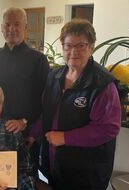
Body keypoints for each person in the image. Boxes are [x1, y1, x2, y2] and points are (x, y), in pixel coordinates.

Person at [39, 18, 121, 189]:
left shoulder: (102, 84)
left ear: (91, 47)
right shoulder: (54, 76)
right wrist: (33, 133)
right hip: (56, 164)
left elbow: (109, 128)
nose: (73, 51)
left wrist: (65, 137)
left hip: (87, 173)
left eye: (80, 45)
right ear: (62, 47)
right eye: (68, 45)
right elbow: (47, 112)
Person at [0, 7, 49, 176]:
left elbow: (45, 100)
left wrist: (26, 122)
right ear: (1, 28)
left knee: (25, 177)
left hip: (23, 132)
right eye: (7, 24)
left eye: (17, 24)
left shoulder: (38, 59)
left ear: (25, 28)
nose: (11, 29)